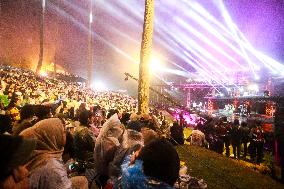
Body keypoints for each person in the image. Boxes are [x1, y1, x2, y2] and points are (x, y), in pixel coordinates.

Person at [20, 118, 73, 189]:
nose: (65, 134)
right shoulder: (52, 168)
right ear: (52, 137)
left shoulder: (36, 155)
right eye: (62, 131)